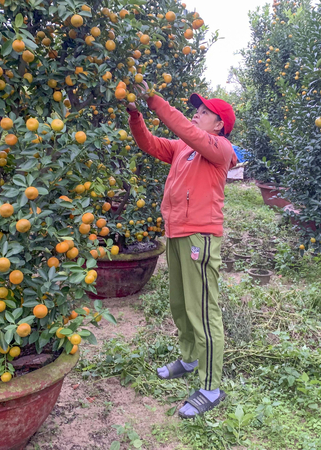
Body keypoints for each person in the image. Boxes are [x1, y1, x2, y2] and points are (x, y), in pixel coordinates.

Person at [126, 89, 237, 418]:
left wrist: (154, 100)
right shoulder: (183, 148)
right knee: (181, 304)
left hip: (199, 237)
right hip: (176, 232)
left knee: (203, 311)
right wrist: (136, 115)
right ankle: (189, 358)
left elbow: (185, 130)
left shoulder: (219, 148)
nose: (196, 114)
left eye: (204, 111)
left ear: (218, 125)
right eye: (197, 110)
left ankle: (210, 386)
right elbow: (149, 143)